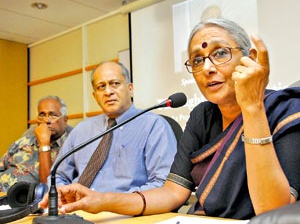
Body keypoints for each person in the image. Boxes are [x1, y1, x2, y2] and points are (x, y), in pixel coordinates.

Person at [39, 19, 300, 220]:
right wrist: (101, 200)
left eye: (220, 53)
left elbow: (273, 213)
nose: (208, 68)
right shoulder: (203, 115)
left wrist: (252, 106)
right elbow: (172, 193)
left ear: (250, 58)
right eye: (197, 59)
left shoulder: (286, 109)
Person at [49, 61, 177, 192]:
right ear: (95, 96)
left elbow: (163, 184)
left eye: (115, 84)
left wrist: (111, 202)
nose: (108, 91)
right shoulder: (82, 129)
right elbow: (57, 176)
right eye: (101, 87)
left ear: (130, 89)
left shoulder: (154, 126)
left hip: (124, 210)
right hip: (77, 208)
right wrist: (63, 196)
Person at [0, 95, 72, 192]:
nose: (46, 120)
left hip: (21, 202)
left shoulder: (70, 148)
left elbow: (49, 188)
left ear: (65, 119)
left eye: (53, 115)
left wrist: (44, 144)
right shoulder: (23, 141)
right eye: (42, 115)